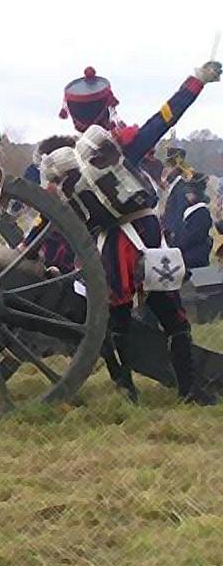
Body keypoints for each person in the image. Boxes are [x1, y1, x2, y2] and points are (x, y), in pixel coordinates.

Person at [45, 60, 221, 405]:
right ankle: (188, 388)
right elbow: (165, 118)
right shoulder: (122, 148)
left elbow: (50, 217)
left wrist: (31, 247)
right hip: (147, 239)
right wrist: (196, 81)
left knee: (117, 320)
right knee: (174, 317)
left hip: (108, 250)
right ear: (107, 106)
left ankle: (125, 385)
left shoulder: (64, 167)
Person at [176, 173, 213, 269]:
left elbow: (193, 236)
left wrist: (177, 247)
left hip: (193, 257)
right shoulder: (192, 210)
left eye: (190, 193)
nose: (187, 195)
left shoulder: (202, 213)